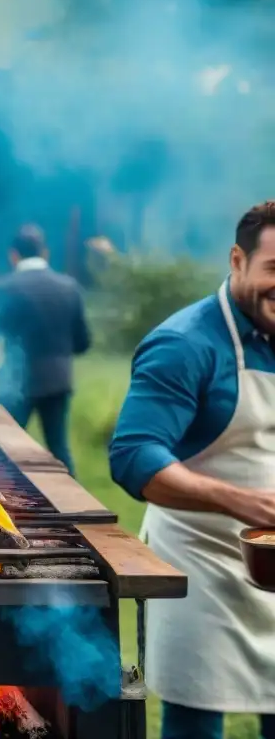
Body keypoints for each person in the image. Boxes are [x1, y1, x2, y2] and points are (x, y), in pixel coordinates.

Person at [109, 201, 275, 739]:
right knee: (196, 719)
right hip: (201, 564)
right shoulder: (185, 344)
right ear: (237, 259)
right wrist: (245, 502)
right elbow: (135, 456)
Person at [0, 224, 91, 474]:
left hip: (16, 382)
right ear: (45, 253)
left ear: (13, 254)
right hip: (58, 380)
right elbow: (83, 343)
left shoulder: (5, 288)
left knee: (1, 450)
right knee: (59, 448)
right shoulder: (68, 287)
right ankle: (75, 508)